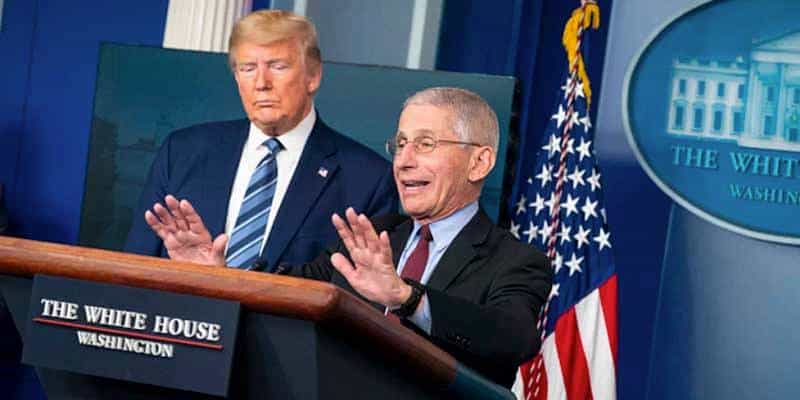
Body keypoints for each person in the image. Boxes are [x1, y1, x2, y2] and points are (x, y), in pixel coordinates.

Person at [144, 87, 552, 388]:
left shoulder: (515, 260)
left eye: (426, 144)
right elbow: (292, 288)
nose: (405, 160)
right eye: (402, 144)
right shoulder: (375, 235)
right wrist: (220, 276)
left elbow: (513, 339)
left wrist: (407, 298)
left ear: (479, 161)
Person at [124, 10, 398, 270]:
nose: (261, 82)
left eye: (277, 66)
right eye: (247, 68)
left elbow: (359, 298)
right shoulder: (183, 151)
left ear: (313, 76)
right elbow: (136, 269)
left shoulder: (367, 179)